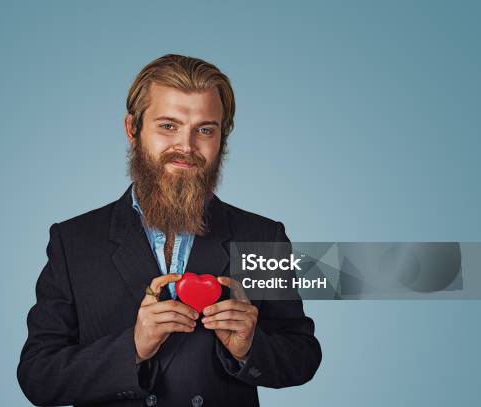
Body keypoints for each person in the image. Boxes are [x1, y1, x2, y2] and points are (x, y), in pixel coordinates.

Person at [17, 54, 322, 407]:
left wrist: (250, 347)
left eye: (205, 130)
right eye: (168, 126)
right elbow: (38, 376)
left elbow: (302, 356)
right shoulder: (73, 242)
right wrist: (133, 347)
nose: (186, 147)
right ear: (133, 129)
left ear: (222, 137)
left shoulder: (261, 238)